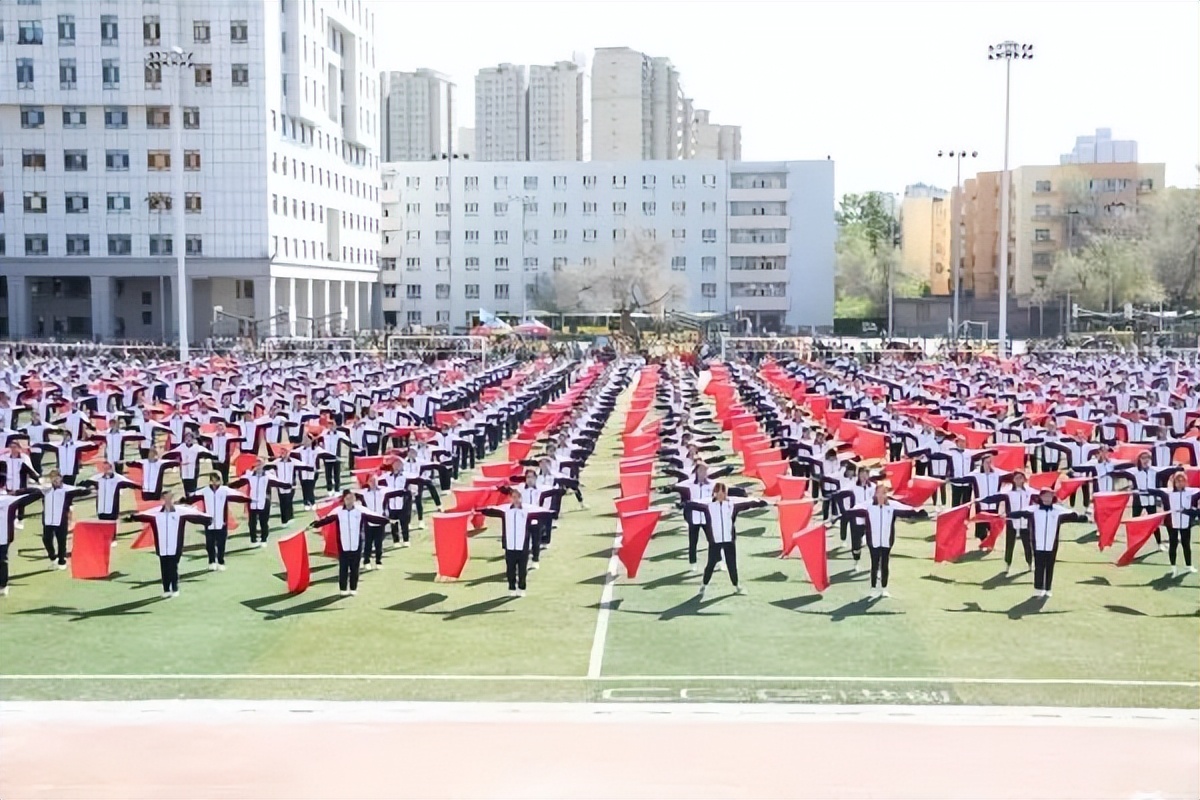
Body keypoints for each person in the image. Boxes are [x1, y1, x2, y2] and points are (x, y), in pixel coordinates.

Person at [683, 482, 768, 597]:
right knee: (710, 565)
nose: (721, 494)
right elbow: (692, 504)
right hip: (715, 541)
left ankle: (737, 586)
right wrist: (684, 505)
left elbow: (747, 503)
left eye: (723, 492)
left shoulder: (732, 505)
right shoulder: (708, 506)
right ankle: (704, 586)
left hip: (729, 540)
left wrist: (760, 502)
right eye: (718, 492)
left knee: (731, 564)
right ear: (714, 493)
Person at [842, 484, 926, 599]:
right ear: (875, 494)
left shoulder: (892, 506)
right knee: (874, 564)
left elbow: (908, 510)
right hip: (873, 540)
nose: (881, 495)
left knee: (885, 564)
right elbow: (854, 510)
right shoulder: (868, 506)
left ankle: (884, 589)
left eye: (884, 493)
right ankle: (873, 589)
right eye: (879, 493)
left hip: (887, 540)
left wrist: (919, 511)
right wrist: (846, 512)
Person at [1008, 487, 1088, 599]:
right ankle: (1038, 588)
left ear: (1053, 497)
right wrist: (1007, 515)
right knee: (1039, 566)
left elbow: (1073, 515)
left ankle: (1048, 589)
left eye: (1049, 495)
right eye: (1045, 495)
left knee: (1050, 566)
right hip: (1037, 543)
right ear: (1040, 497)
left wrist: (1083, 518)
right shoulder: (1033, 510)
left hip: (1052, 544)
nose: (1047, 498)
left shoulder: (1058, 510)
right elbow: (1019, 513)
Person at [130, 493, 211, 597]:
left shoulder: (180, 511)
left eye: (170, 498)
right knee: (164, 568)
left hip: (175, 545)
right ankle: (166, 589)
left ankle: (175, 588)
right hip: (162, 546)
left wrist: (208, 519)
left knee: (173, 567)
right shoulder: (156, 512)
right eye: (166, 498)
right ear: (163, 499)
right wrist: (132, 517)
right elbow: (143, 515)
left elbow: (194, 514)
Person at [309, 490, 388, 596]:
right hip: (343, 544)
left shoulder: (360, 510)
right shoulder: (338, 511)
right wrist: (314, 525)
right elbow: (326, 519)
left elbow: (373, 517)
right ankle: (343, 588)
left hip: (357, 543)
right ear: (344, 500)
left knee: (355, 567)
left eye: (351, 498)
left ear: (354, 499)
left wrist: (387, 520)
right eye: (347, 498)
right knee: (343, 567)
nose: (349, 500)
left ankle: (353, 588)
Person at [481, 488, 556, 597]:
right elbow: (492, 510)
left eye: (518, 497)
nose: (516, 499)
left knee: (522, 569)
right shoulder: (506, 510)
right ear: (511, 498)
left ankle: (521, 587)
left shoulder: (527, 510)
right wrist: (480, 510)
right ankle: (512, 587)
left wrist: (551, 513)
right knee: (510, 569)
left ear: (521, 498)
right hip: (510, 545)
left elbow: (541, 512)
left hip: (523, 545)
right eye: (513, 497)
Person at [183, 473, 250, 571]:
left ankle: (221, 562)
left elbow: (238, 495)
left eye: (216, 480)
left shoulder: (224, 490)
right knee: (209, 544)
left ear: (220, 480)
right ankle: (212, 562)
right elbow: (192, 496)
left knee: (221, 544)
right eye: (212, 480)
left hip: (221, 522)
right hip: (209, 522)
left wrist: (249, 499)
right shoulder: (205, 491)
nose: (214, 482)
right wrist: (183, 501)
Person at [1150, 473, 1200, 578]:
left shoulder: (1191, 492)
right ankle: (1173, 567)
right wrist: (1135, 491)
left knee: (1186, 544)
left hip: (1185, 523)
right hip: (1172, 523)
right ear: (1174, 482)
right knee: (1173, 544)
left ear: (1185, 482)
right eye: (1178, 481)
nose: (1180, 483)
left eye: (1182, 481)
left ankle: (1189, 565)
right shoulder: (1168, 493)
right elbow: (1154, 491)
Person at [0, 489, 42, 596]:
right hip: (5, 536)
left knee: (2, 561)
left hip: (4, 537)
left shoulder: (11, 501)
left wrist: (19, 491)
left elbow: (36, 494)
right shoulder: (12, 500)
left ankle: (3, 585)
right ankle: (3, 585)